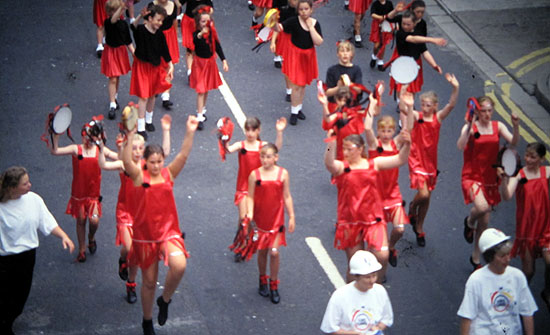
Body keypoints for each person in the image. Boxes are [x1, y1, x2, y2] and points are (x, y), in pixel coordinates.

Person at [122, 115, 198, 335]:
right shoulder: (138, 176)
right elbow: (127, 163)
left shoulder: (168, 174)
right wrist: (128, 138)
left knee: (180, 266)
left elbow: (183, 154)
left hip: (168, 232)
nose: (156, 166)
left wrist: (190, 131)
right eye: (152, 162)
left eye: (159, 161)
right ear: (145, 161)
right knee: (149, 283)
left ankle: (164, 301)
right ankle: (147, 321)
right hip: (145, 236)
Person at [98, 111, 172, 304]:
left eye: (141, 148)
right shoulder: (124, 164)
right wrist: (100, 146)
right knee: (129, 249)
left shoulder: (148, 166)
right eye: (135, 148)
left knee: (136, 253)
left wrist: (166, 131)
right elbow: (104, 164)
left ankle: (131, 284)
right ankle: (123, 260)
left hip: (141, 216)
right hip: (124, 212)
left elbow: (165, 152)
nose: (138, 151)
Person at [325, 131, 410, 283]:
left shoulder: (374, 164)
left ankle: (376, 286)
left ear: (360, 149)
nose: (345, 152)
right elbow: (329, 164)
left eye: (349, 149)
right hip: (351, 221)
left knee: (382, 256)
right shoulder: (342, 167)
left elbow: (400, 159)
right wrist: (331, 144)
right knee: (354, 265)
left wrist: (408, 144)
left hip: (373, 220)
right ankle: (351, 297)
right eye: (344, 149)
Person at [0, 166, 75, 335]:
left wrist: (64, 236)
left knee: (20, 297)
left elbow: (46, 221)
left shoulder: (34, 199)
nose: (30, 185)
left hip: (27, 257)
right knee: (5, 297)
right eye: (25, 183)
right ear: (12, 188)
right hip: (5, 259)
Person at [457, 96, 519, 271]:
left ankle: (475, 258)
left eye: (489, 110)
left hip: (490, 178)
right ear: (477, 111)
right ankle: (469, 222)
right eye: (483, 110)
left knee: (484, 222)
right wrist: (468, 125)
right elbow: (461, 145)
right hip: (472, 176)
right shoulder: (471, 128)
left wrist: (515, 125)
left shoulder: (497, 126)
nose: (486, 114)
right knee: (483, 208)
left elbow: (514, 142)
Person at [49, 119, 118, 262]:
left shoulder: (100, 150)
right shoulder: (76, 149)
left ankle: (91, 238)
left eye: (91, 135)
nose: (88, 138)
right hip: (79, 193)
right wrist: (56, 134)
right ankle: (82, 249)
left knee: (94, 221)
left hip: (93, 194)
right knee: (80, 220)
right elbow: (55, 151)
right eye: (86, 135)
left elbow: (118, 157)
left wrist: (125, 148)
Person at [405, 73, 459, 247]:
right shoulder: (417, 116)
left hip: (430, 162)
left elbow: (451, 105)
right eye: (423, 104)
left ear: (435, 106)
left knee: (427, 199)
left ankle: (419, 227)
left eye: (428, 105)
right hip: (416, 159)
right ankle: (412, 208)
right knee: (423, 194)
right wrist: (405, 93)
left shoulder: (438, 118)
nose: (424, 108)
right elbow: (406, 108)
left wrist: (455, 87)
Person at [225, 117, 286, 262]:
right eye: (247, 130)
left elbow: (276, 148)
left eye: (253, 130)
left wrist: (279, 132)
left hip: (258, 188)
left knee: (252, 219)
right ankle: (242, 242)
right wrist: (225, 138)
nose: (250, 133)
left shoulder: (262, 147)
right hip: (243, 188)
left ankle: (246, 240)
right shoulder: (241, 145)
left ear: (259, 130)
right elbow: (228, 150)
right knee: (244, 217)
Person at [499, 142, 550, 312]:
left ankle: (547, 291)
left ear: (542, 159)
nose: (528, 159)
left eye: (533, 156)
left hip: (546, 228)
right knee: (528, 272)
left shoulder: (547, 172)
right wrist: (504, 179)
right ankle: (518, 300)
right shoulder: (519, 175)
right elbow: (507, 196)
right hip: (527, 230)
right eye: (527, 155)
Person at [457, 228, 537, 334]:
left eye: (508, 254)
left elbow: (527, 312)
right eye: (502, 256)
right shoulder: (476, 280)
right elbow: (467, 316)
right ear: (490, 257)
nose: (508, 259)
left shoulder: (517, 277)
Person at [365, 95, 413, 267]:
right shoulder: (373, 145)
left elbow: (409, 131)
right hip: (375, 195)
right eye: (383, 131)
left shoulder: (396, 143)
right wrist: (371, 104)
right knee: (376, 237)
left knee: (399, 228)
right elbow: (367, 127)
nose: (385, 134)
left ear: (393, 131)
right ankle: (373, 265)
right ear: (379, 132)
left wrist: (410, 107)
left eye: (389, 131)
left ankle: (391, 246)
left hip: (392, 192)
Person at [246, 143, 295, 304]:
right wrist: (250, 213)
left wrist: (292, 216)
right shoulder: (255, 175)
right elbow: (250, 197)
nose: (264, 160)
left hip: (276, 219)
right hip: (260, 219)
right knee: (262, 251)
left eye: (268, 157)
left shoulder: (283, 174)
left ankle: (274, 284)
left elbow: (286, 196)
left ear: (276, 158)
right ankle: (262, 279)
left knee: (274, 252)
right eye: (262, 156)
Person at [320, 250, 393, 334]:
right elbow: (331, 328)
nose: (372, 280)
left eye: (374, 276)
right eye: (367, 277)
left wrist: (377, 327)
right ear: (356, 276)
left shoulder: (380, 291)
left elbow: (386, 318)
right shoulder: (339, 296)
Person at [275, 0, 323, 125]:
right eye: (301, 9)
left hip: (308, 57)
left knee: (302, 85)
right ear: (298, 11)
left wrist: (311, 27)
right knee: (296, 85)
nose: (303, 11)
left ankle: (298, 108)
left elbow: (318, 42)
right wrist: (273, 22)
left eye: (306, 9)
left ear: (311, 10)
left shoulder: (315, 24)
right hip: (296, 56)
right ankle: (294, 112)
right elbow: (280, 28)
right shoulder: (293, 21)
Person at [130, 5, 174, 140]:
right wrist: (139, 16)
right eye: (158, 20)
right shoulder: (142, 30)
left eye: (161, 21)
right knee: (143, 96)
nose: (160, 23)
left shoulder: (160, 34)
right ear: (149, 18)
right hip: (143, 66)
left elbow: (165, 51)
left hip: (154, 66)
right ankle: (141, 126)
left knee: (153, 94)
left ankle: (149, 120)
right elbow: (133, 27)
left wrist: (170, 65)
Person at [387, 10, 446, 96]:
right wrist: (433, 40)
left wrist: (434, 65)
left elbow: (424, 52)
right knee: (401, 85)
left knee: (412, 88)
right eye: (403, 23)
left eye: (408, 24)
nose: (405, 26)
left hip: (415, 63)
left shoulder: (419, 34)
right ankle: (400, 104)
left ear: (414, 24)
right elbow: (413, 39)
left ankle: (410, 105)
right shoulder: (400, 33)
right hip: (402, 63)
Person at [190, 5, 229, 130]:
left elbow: (217, 45)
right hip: (200, 64)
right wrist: (202, 33)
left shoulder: (212, 32)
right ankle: (199, 116)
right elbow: (195, 40)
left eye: (208, 21)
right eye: (203, 21)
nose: (205, 23)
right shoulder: (197, 33)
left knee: (206, 89)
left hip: (209, 63)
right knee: (201, 90)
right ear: (198, 22)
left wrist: (224, 60)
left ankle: (202, 109)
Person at [101, 0, 135, 120]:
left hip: (120, 52)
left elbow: (128, 40)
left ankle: (114, 97)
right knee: (113, 78)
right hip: (111, 52)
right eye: (113, 10)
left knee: (117, 76)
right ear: (109, 12)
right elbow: (113, 19)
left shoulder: (123, 24)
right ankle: (112, 104)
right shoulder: (108, 22)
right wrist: (122, 7)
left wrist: (134, 53)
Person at [150, 0, 180, 110]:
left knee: (169, 64)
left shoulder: (173, 5)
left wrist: (175, 36)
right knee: (156, 64)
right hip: (156, 37)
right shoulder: (152, 5)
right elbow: (147, 23)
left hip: (169, 37)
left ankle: (166, 96)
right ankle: (157, 86)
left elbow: (174, 21)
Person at [178, 0, 213, 81]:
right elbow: (179, 4)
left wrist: (205, 17)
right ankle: (190, 72)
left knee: (198, 48)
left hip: (200, 24)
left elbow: (211, 10)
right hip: (188, 23)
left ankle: (197, 70)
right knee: (189, 47)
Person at [269, 0, 298, 100]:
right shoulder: (285, 11)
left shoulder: (302, 11)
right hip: (287, 38)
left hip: (298, 39)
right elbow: (278, 27)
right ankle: (289, 91)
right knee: (287, 65)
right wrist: (273, 42)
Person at [324, 40, 363, 111]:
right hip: (335, 105)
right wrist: (339, 87)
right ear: (338, 54)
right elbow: (327, 92)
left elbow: (359, 90)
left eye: (347, 51)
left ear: (352, 54)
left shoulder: (356, 70)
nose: (345, 54)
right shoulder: (332, 70)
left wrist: (349, 84)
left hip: (351, 106)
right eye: (342, 51)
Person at [368, 0, 403, 71]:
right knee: (376, 45)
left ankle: (380, 61)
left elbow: (392, 15)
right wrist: (382, 17)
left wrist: (395, 24)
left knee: (383, 44)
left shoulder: (389, 3)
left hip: (386, 24)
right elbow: (372, 14)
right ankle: (374, 56)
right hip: (377, 25)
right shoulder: (375, 4)